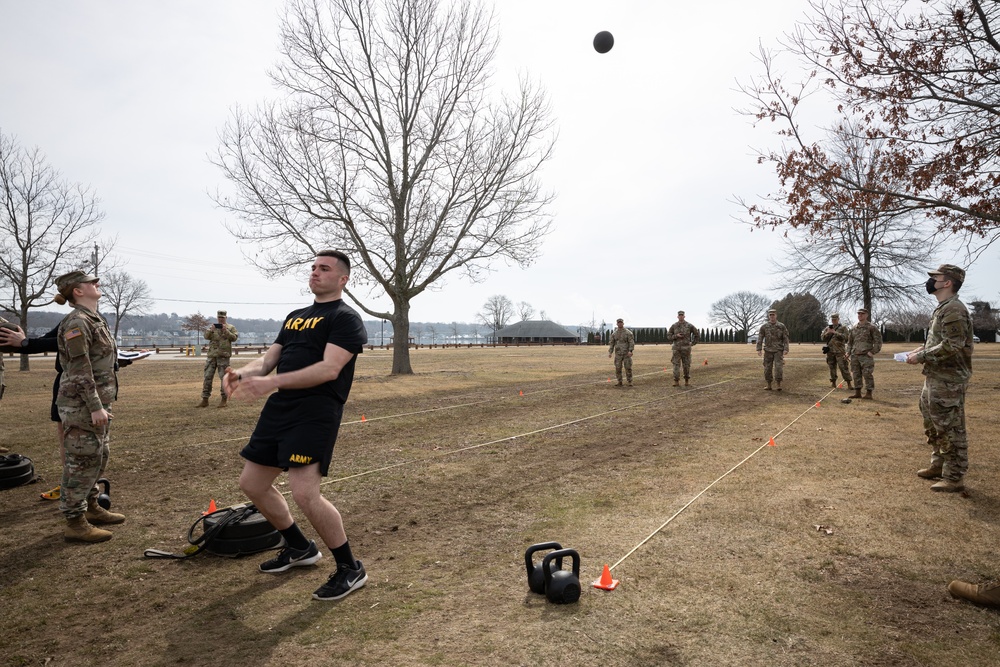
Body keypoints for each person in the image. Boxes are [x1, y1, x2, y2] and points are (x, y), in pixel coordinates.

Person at [223, 250, 368, 601]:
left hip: (315, 411)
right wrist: (243, 372)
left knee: (305, 493)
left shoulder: (346, 318)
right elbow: (270, 358)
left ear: (343, 279)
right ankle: (300, 547)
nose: (315, 273)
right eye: (314, 268)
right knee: (253, 483)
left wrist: (272, 383)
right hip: (280, 410)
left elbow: (329, 369)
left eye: (325, 269)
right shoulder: (296, 317)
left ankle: (350, 568)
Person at [53, 270, 126, 543]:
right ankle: (74, 521)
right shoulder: (77, 322)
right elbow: (79, 368)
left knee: (98, 457)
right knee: (81, 462)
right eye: (91, 282)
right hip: (81, 405)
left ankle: (92, 507)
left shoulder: (95, 319)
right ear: (77, 291)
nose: (98, 284)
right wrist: (95, 406)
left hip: (97, 403)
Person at [905, 264, 973, 493]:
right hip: (936, 376)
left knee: (950, 426)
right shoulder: (943, 308)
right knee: (932, 421)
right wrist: (919, 350)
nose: (931, 280)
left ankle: (954, 476)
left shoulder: (954, 309)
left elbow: (953, 345)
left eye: (936, 277)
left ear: (948, 283)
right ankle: (939, 464)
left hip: (949, 379)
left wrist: (922, 356)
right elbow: (939, 341)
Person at [198, 309, 238, 408]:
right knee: (207, 377)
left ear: (226, 318)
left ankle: (224, 400)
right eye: (219, 317)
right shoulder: (212, 327)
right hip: (212, 356)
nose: (220, 320)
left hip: (223, 357)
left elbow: (234, 338)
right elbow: (206, 337)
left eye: (222, 318)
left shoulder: (231, 327)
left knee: (224, 378)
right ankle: (205, 399)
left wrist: (226, 331)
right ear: (217, 318)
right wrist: (211, 330)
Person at [847, 308, 882, 400]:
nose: (860, 315)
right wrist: (848, 352)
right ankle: (857, 392)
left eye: (862, 314)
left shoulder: (871, 327)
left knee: (867, 374)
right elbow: (850, 342)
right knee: (856, 374)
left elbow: (878, 341)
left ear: (867, 315)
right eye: (858, 314)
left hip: (866, 355)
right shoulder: (854, 328)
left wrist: (873, 352)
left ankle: (869, 393)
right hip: (855, 355)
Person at [756, 309, 789, 390]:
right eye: (770, 315)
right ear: (768, 316)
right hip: (768, 351)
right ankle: (769, 384)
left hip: (778, 350)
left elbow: (785, 338)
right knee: (767, 368)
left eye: (773, 315)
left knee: (778, 368)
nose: (772, 316)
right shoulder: (764, 327)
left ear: (776, 315)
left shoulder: (781, 326)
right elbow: (760, 337)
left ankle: (778, 384)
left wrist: (786, 349)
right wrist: (759, 349)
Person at [667, 310, 699, 387]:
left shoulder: (689, 325)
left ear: (684, 316)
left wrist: (693, 343)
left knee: (686, 365)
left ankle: (687, 380)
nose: (681, 316)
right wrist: (676, 336)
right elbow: (668, 336)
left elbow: (697, 334)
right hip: (676, 349)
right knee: (676, 365)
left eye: (682, 315)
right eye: (679, 315)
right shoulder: (674, 326)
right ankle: (676, 381)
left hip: (686, 349)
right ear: (677, 316)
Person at [821, 313, 852, 390]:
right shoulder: (827, 328)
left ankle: (849, 383)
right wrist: (828, 332)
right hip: (830, 351)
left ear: (838, 319)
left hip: (840, 351)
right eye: (832, 319)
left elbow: (846, 337)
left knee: (843, 367)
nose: (834, 321)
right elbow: (822, 338)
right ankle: (833, 382)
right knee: (832, 367)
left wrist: (835, 333)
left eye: (835, 319)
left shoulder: (843, 328)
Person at [607, 318, 635, 386]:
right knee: (618, 368)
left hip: (626, 354)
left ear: (623, 323)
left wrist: (630, 351)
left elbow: (631, 342)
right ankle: (619, 381)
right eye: (618, 322)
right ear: (617, 324)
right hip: (618, 354)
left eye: (621, 322)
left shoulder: (628, 333)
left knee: (628, 367)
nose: (620, 324)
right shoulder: (614, 333)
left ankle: (629, 381)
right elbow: (612, 343)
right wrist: (610, 352)